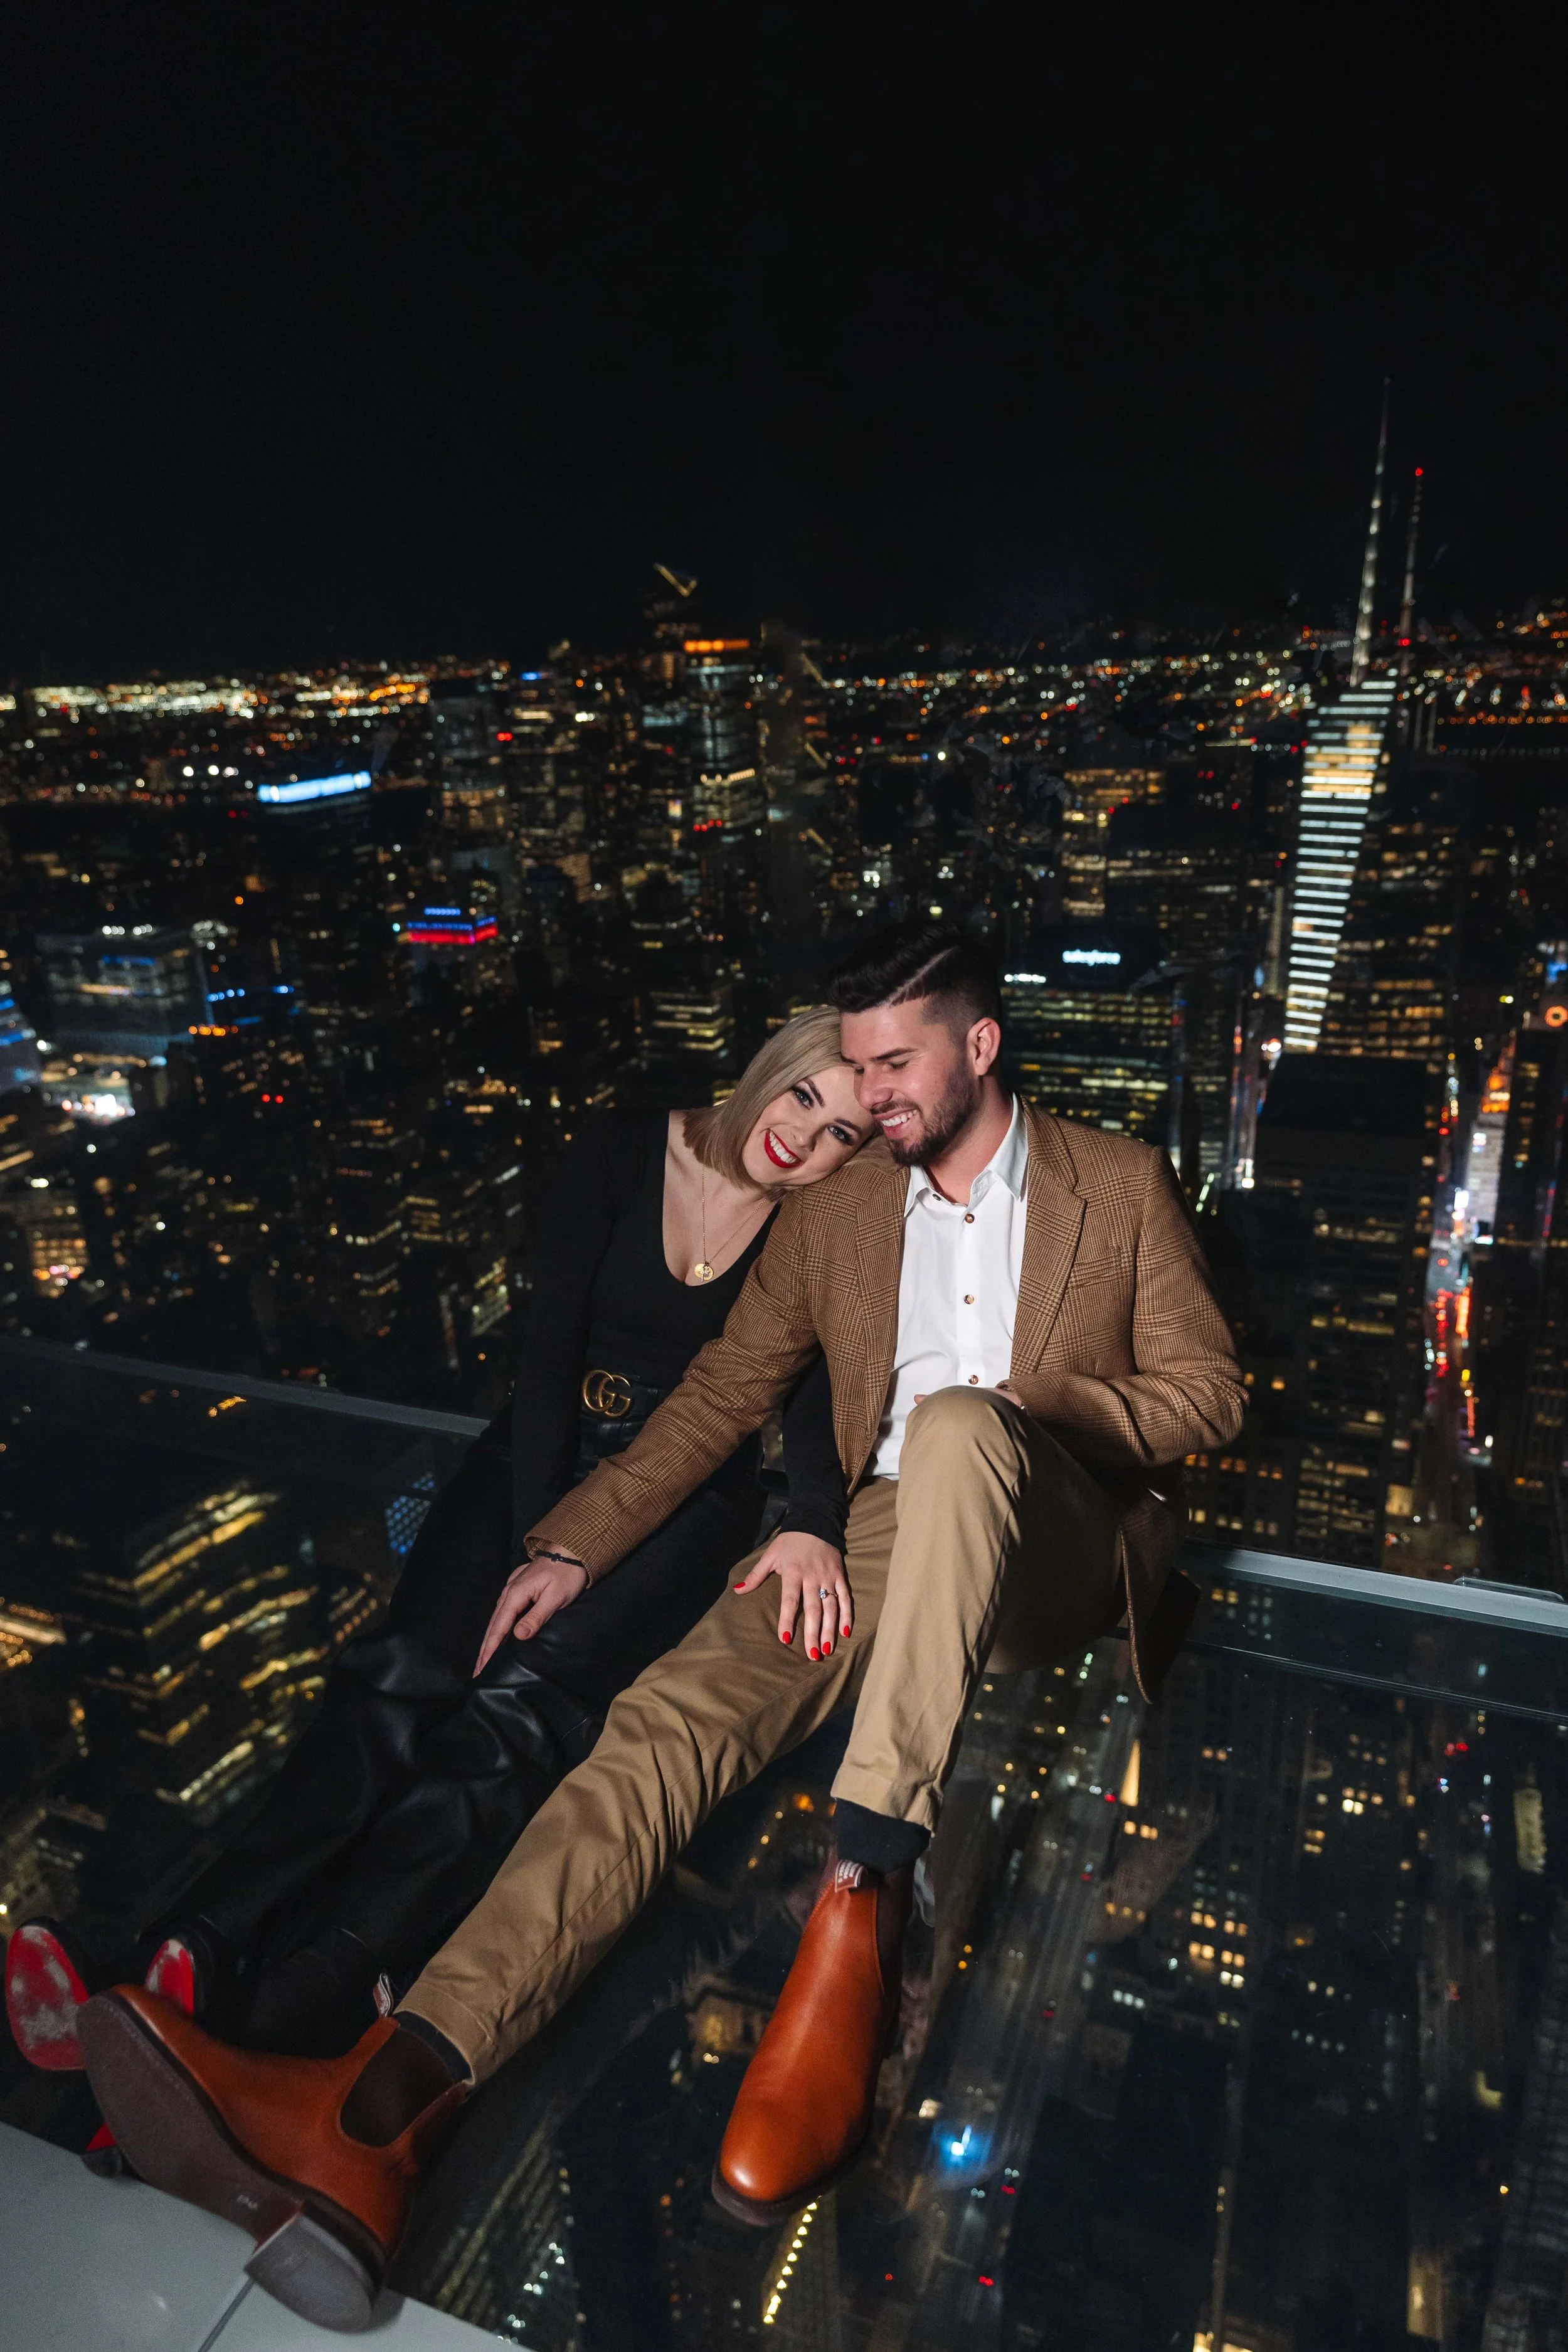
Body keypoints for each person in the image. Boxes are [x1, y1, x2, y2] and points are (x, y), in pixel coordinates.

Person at [77, 921, 1245, 2331]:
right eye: (854, 1065)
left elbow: (1204, 1390)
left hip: (1043, 1535)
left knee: (947, 1427)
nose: (871, 1095)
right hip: (874, 1533)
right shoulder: (844, 1209)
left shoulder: (1111, 1185)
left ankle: (858, 1908)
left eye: (893, 1061)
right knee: (653, 1734)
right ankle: (377, 2109)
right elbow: (720, 1395)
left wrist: (1011, 1420)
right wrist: (572, 1540)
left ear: (976, 1047)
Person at [8, 1007, 871, 2087]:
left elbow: (810, 1391)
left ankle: (294, 2001)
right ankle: (194, 1949)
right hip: (539, 1453)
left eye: (842, 1131)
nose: (807, 1136)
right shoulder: (621, 1146)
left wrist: (813, 1521)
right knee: (400, 1679)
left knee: (513, 1715)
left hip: (687, 1499)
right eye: (804, 1096)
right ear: (770, 1070)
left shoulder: (816, 1230)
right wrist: (538, 1540)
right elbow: (549, 1348)